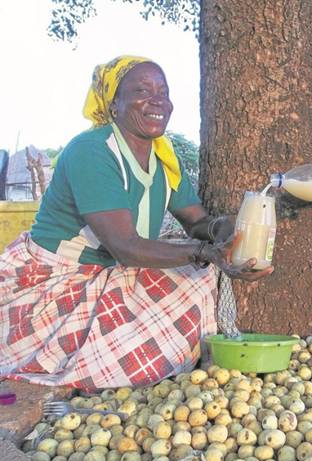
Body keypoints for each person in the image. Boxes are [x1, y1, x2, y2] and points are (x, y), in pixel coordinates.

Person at [0, 56, 273, 391]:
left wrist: (228, 231)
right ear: (114, 104)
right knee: (196, 266)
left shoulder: (162, 157)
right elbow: (125, 246)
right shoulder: (92, 151)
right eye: (142, 90)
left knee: (198, 274)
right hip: (57, 280)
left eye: (163, 91)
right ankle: (104, 373)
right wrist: (206, 252)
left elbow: (197, 222)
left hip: (108, 274)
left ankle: (139, 368)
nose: (157, 100)